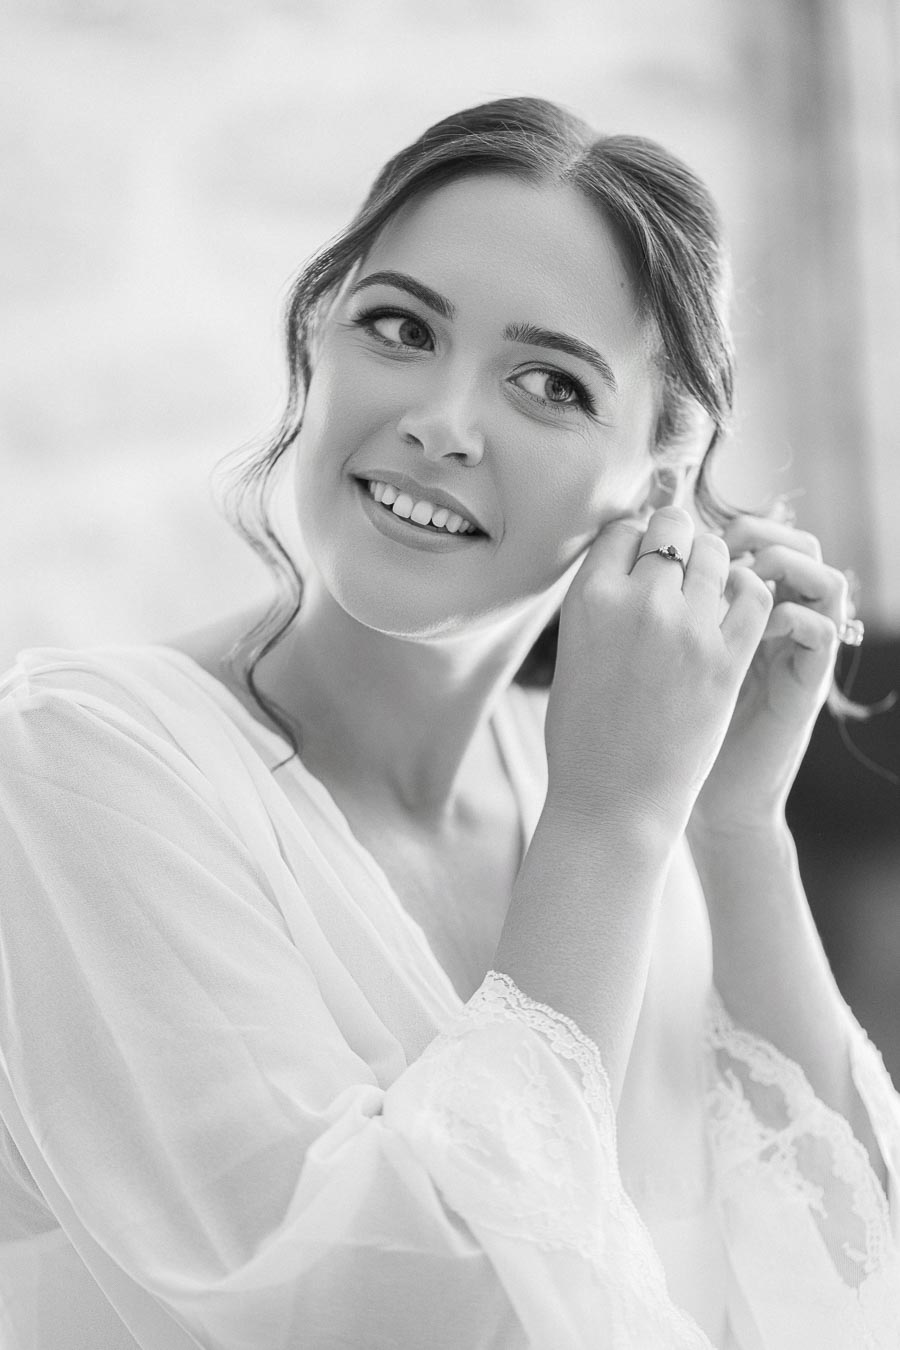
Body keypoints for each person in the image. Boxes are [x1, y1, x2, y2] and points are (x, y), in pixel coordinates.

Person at [0, 96, 896, 1350]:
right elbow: (370, 1318)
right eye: (400, 327)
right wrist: (609, 825)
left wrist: (733, 826)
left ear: (663, 477)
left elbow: (844, 1289)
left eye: (549, 382)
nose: (440, 421)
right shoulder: (77, 763)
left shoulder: (610, 802)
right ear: (320, 341)